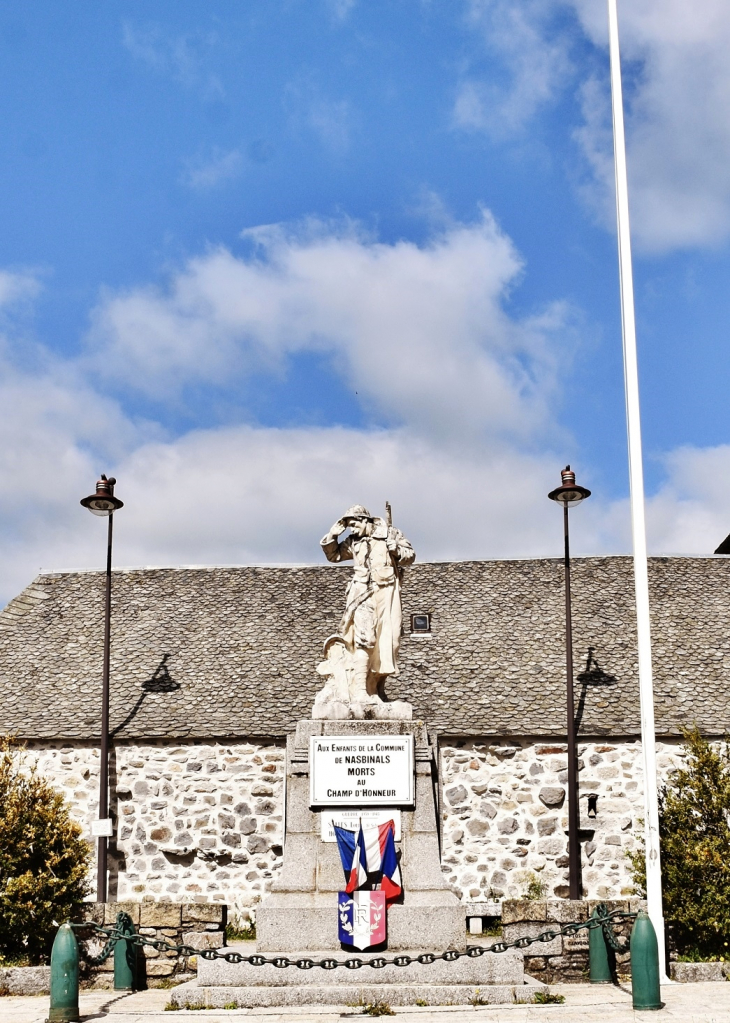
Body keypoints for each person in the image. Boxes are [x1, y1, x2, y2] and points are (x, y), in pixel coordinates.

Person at [320, 505, 415, 704]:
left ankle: (376, 690)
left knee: (390, 642)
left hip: (387, 593)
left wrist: (396, 550)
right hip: (362, 594)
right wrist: (333, 534)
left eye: (354, 524)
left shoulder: (391, 533)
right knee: (364, 638)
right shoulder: (353, 541)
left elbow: (410, 555)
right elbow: (334, 555)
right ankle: (360, 691)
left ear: (365, 520)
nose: (352, 529)